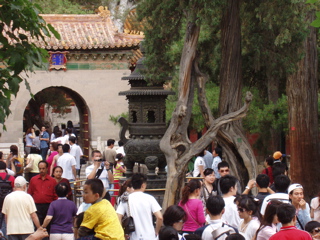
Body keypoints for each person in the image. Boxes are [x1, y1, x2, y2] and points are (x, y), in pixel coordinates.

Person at [116, 173, 163, 239]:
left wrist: (122, 233)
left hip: (133, 237)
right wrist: (156, 231)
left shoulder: (126, 199)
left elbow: (118, 217)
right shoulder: (150, 198)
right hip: (150, 236)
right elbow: (160, 217)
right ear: (143, 185)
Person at [28, 161, 57, 233]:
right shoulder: (33, 180)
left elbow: (55, 195)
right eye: (40, 168)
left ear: (47, 168)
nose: (41, 170)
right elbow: (30, 193)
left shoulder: (52, 181)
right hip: (36, 206)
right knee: (37, 226)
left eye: (43, 168)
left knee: (48, 226)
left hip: (48, 206)